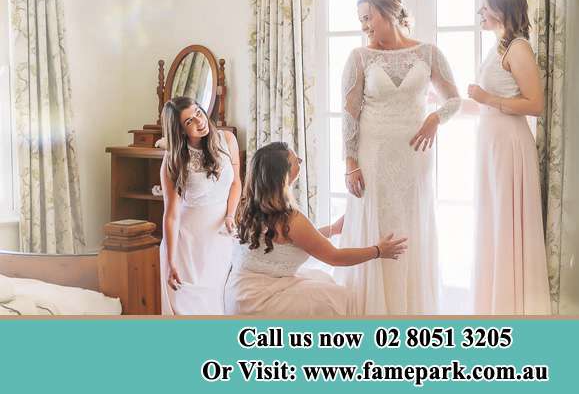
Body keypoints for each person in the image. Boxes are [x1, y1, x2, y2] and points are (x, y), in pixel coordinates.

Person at [336, 0, 461, 314]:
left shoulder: (429, 53)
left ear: (389, 11)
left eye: (368, 17)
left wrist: (436, 117)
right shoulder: (359, 57)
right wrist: (351, 164)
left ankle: (410, 312)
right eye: (361, 20)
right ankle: (373, 312)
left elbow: (454, 99)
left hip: (415, 157)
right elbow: (349, 114)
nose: (364, 25)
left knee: (410, 224)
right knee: (376, 224)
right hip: (373, 157)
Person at [224, 142, 406, 316]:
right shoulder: (290, 219)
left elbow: (289, 241)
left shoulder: (253, 207)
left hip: (238, 294)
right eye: (297, 161)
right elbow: (335, 257)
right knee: (343, 300)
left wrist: (333, 229)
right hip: (257, 301)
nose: (301, 163)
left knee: (323, 280)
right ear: (283, 175)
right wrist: (378, 251)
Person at [467, 0, 551, 315]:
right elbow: (485, 104)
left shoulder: (518, 48)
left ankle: (514, 308)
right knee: (493, 221)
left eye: (485, 6)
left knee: (508, 221)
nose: (480, 13)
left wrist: (488, 99)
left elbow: (535, 104)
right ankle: (495, 305)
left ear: (502, 9)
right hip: (492, 143)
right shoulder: (498, 47)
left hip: (510, 144)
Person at [159, 96, 242, 315]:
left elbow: (236, 183)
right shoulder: (173, 160)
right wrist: (170, 261)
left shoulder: (228, 139)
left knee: (218, 303)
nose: (199, 121)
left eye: (198, 112)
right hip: (186, 243)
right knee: (188, 308)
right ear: (180, 131)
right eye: (189, 122)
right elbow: (171, 215)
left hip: (221, 238)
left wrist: (230, 215)